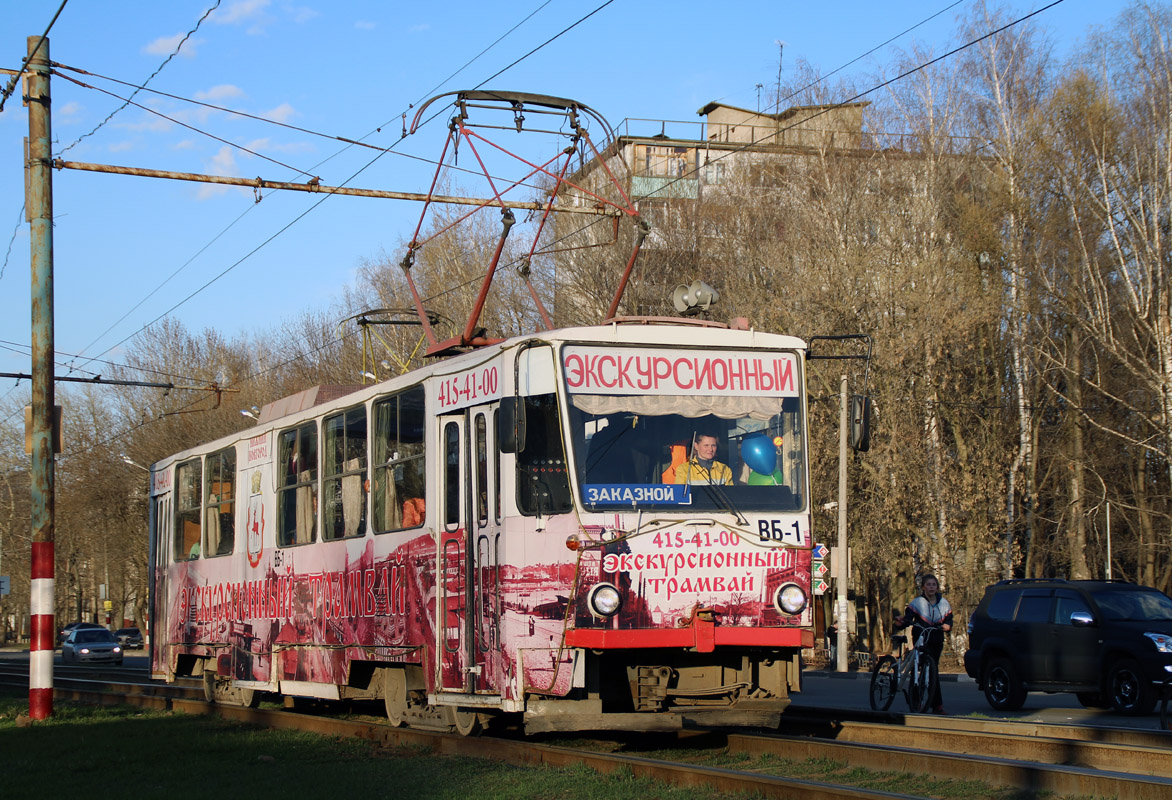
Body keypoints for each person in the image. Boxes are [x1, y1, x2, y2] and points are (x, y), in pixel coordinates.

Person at [894, 573, 953, 714]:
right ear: (923, 587)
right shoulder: (917, 603)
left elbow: (949, 620)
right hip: (920, 637)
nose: (931, 587)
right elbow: (908, 618)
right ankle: (916, 702)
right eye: (928, 584)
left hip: (936, 639)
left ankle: (937, 705)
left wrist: (948, 625)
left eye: (934, 585)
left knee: (933, 671)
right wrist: (902, 622)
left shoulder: (944, 604)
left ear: (937, 587)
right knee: (917, 669)